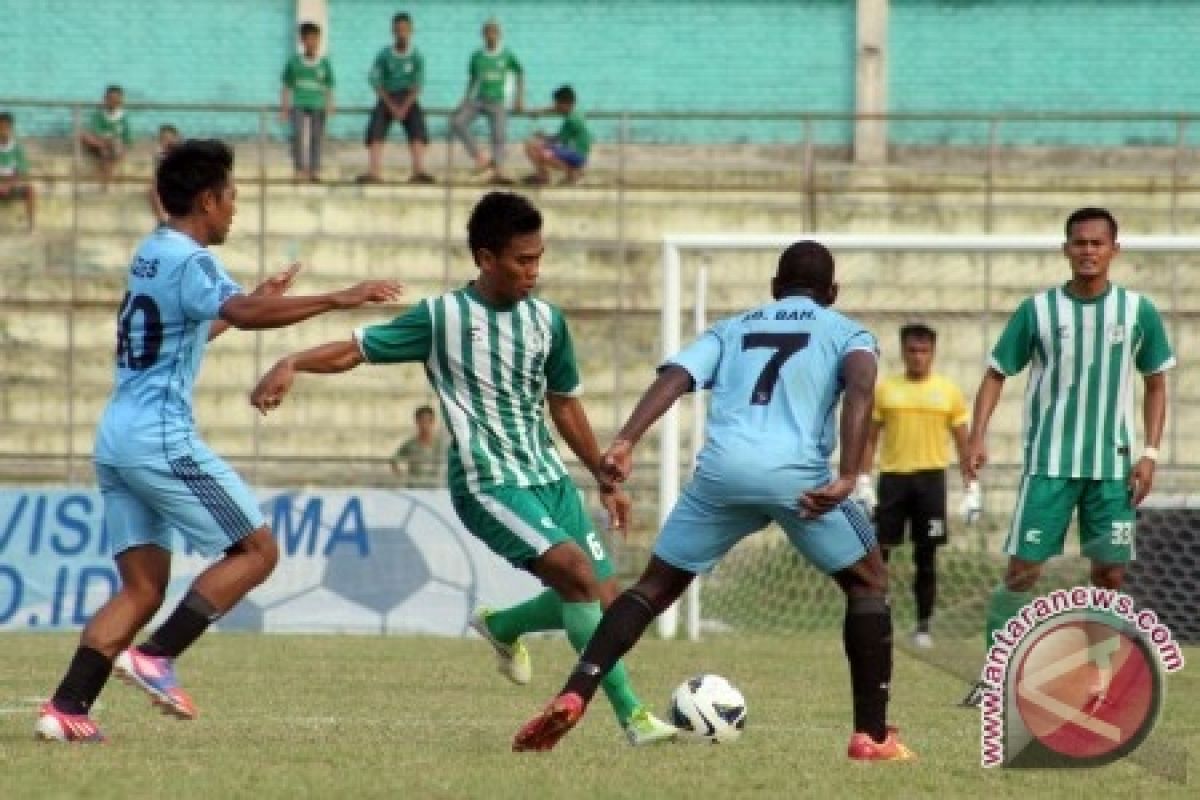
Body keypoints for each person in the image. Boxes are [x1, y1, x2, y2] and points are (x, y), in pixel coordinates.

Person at [250, 191, 676, 747]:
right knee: (576, 575)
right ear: (485, 258)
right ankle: (633, 718)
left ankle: (503, 625)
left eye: (539, 258)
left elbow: (564, 404)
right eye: (523, 260)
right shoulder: (442, 317)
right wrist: (292, 362)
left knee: (606, 597)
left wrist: (602, 472)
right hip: (487, 481)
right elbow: (357, 349)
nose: (533, 271)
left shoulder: (548, 321)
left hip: (547, 476)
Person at [34, 139, 403, 743]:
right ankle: (156, 657)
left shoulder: (152, 252)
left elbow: (190, 328)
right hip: (158, 435)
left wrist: (252, 299)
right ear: (207, 199)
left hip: (117, 434)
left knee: (142, 587)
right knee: (257, 551)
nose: (234, 208)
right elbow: (244, 314)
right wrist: (339, 297)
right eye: (230, 197)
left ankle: (68, 706)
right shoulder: (194, 260)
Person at [512, 241, 915, 761]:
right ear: (832, 292)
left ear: (773, 287)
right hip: (798, 480)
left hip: (722, 473)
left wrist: (626, 440)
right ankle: (872, 737)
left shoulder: (732, 327)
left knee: (652, 589)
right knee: (868, 582)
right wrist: (849, 474)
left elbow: (674, 379)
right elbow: (862, 387)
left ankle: (576, 690)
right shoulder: (848, 333)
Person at [960, 207, 1174, 707]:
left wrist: (1150, 453)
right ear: (1065, 249)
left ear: (1114, 250)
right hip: (1049, 465)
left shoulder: (1137, 311)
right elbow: (996, 373)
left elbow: (1156, 381)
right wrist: (976, 437)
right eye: (1078, 242)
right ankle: (998, 677)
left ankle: (1100, 683)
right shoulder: (1037, 311)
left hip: (1113, 468)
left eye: (1097, 243)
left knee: (1111, 574)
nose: (1087, 251)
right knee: (1023, 572)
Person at [855, 323, 976, 649]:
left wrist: (971, 488)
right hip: (893, 480)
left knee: (927, 558)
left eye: (924, 351)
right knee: (879, 555)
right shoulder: (887, 390)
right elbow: (870, 438)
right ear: (903, 351)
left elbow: (964, 444)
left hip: (931, 482)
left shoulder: (948, 391)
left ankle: (924, 628)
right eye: (912, 350)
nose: (918, 357)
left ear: (933, 353)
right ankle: (878, 623)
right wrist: (863, 480)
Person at [358, 12, 433, 184]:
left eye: (405, 29)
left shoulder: (416, 56)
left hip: (408, 97)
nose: (402, 33)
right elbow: (375, 80)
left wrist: (405, 106)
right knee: (376, 123)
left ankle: (419, 170)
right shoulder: (384, 55)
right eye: (398, 29)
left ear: (411, 31)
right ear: (393, 31)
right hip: (388, 96)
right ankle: (374, 171)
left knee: (417, 123)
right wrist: (390, 104)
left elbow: (418, 84)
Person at [450, 18, 524, 185]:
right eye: (488, 32)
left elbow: (520, 73)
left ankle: (498, 170)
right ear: (483, 35)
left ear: (499, 34)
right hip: (479, 100)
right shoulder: (477, 56)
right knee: (457, 122)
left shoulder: (507, 55)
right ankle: (480, 157)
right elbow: (472, 80)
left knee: (499, 135)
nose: (491, 35)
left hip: (498, 101)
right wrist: (464, 100)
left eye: (494, 32)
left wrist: (519, 99)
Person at [281, 22, 335, 183]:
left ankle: (315, 170)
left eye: (315, 39)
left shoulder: (324, 63)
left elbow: (329, 85)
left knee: (316, 137)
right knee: (297, 135)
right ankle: (299, 170)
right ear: (302, 41)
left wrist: (330, 104)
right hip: (298, 103)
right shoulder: (294, 62)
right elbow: (287, 86)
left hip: (317, 104)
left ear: (319, 40)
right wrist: (284, 108)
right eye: (308, 39)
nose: (312, 43)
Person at [523, 86, 591, 186]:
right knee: (536, 146)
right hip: (578, 153)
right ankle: (547, 175)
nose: (556, 106)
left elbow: (558, 140)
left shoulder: (571, 120)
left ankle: (570, 174)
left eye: (557, 103)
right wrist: (540, 112)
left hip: (575, 153)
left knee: (535, 149)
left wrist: (542, 136)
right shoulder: (576, 112)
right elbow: (555, 110)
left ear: (566, 104)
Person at [80, 85, 132, 190]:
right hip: (100, 144)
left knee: (109, 152)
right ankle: (105, 149)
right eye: (111, 99)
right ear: (105, 99)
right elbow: (95, 131)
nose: (113, 102)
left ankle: (105, 185)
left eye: (116, 99)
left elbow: (128, 139)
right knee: (83, 135)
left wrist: (121, 147)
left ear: (121, 100)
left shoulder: (124, 118)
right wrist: (105, 141)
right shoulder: (98, 115)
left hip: (115, 148)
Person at [391, 404, 447, 488]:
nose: (424, 425)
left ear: (433, 422)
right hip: (415, 489)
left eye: (428, 421)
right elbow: (394, 460)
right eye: (421, 421)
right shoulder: (410, 444)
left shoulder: (442, 444)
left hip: (436, 489)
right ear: (416, 422)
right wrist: (402, 477)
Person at [0, 111, 35, 231]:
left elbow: (21, 170)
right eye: (1, 127)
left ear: (11, 129)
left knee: (30, 190)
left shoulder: (17, 148)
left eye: (6, 127)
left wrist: (8, 185)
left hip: (12, 185)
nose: (3, 131)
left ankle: (31, 225)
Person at [148, 124, 181, 226]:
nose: (166, 141)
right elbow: (159, 174)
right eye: (163, 139)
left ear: (176, 138)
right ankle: (162, 221)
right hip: (167, 184)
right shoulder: (160, 155)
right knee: (153, 190)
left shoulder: (183, 151)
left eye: (168, 138)